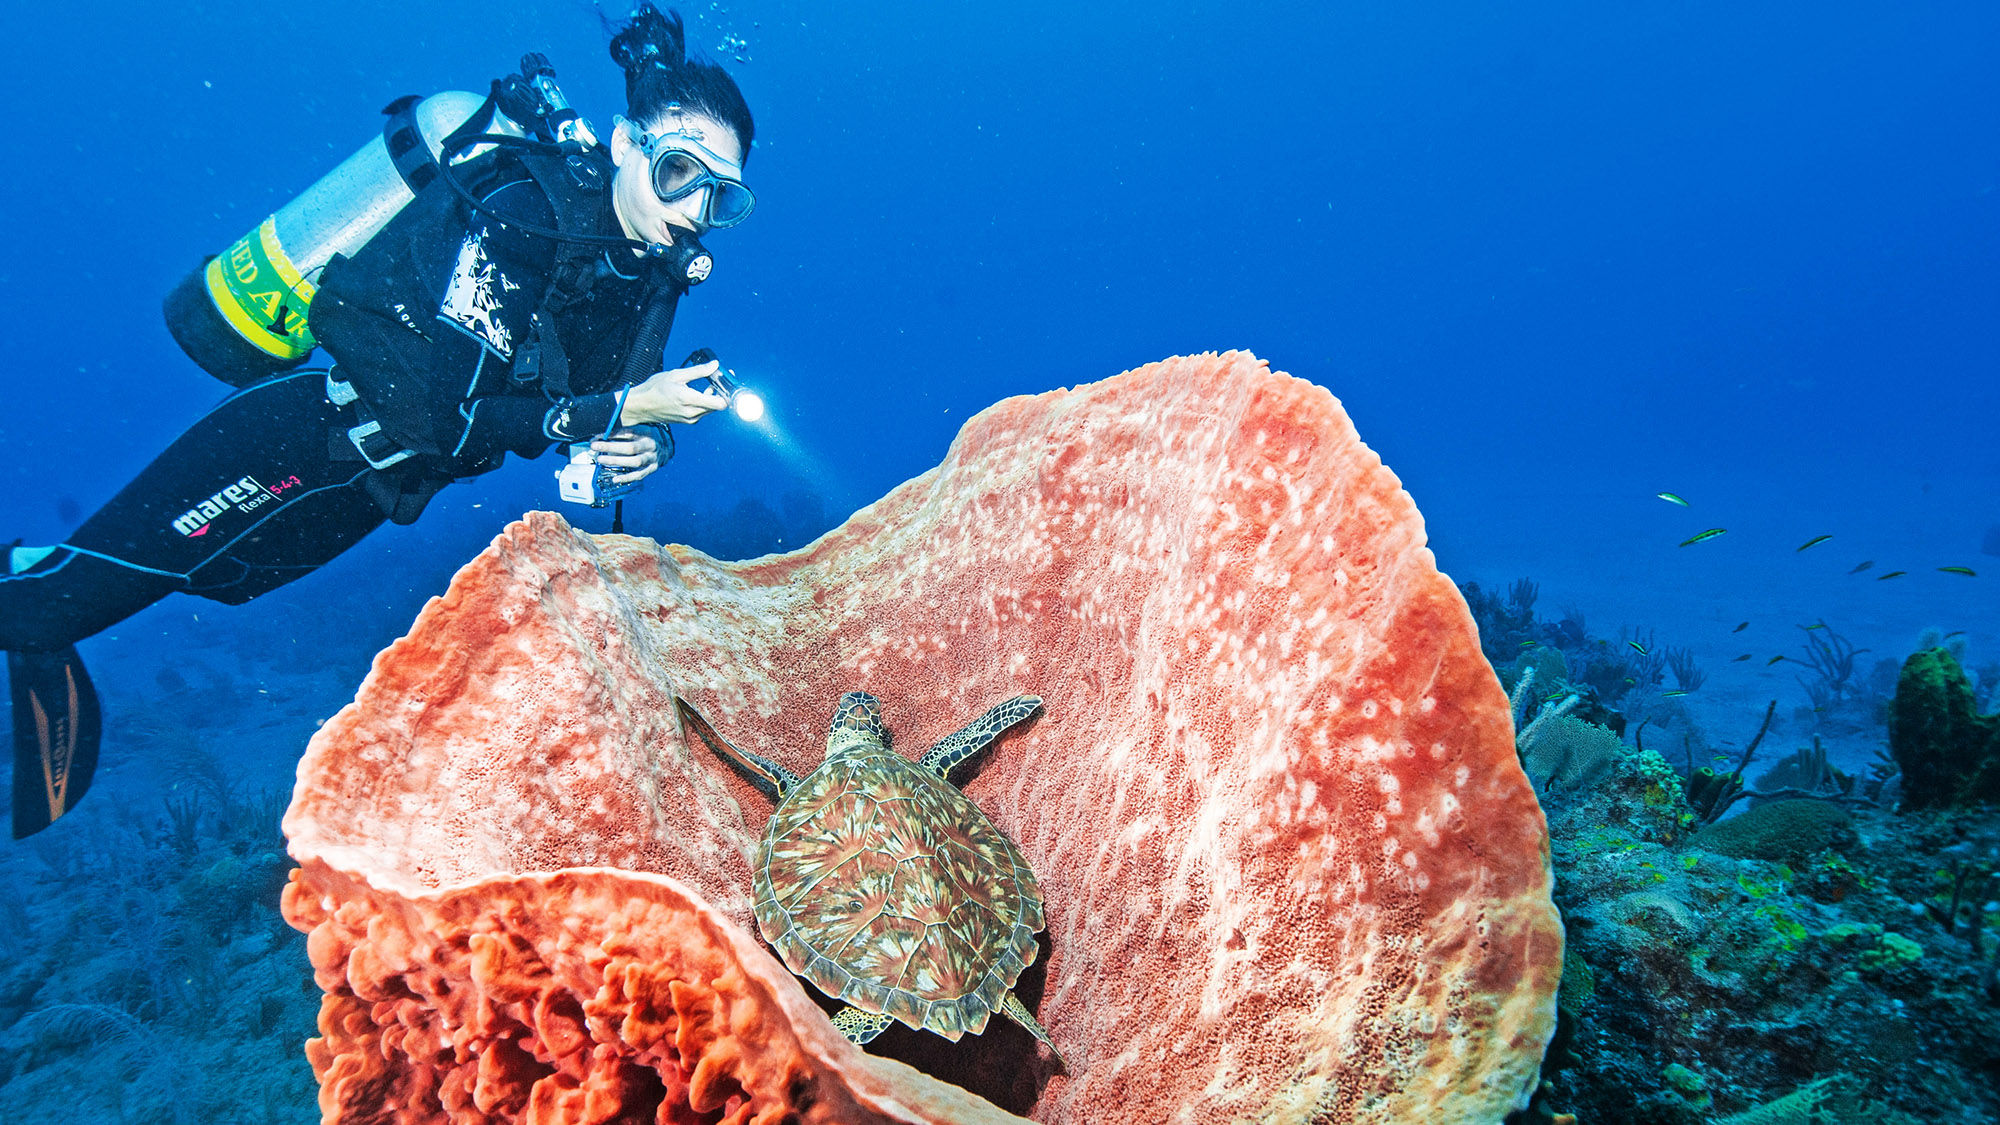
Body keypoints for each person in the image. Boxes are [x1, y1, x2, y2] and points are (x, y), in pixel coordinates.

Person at [0, 4, 754, 836]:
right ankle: (38, 599)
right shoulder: (519, 212)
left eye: (722, 199)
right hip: (299, 439)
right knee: (57, 605)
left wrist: (642, 438)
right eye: (680, 173)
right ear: (623, 145)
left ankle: (37, 573)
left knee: (212, 581)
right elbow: (451, 420)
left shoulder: (645, 276)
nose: (694, 210)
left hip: (365, 492)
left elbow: (577, 412)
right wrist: (617, 408)